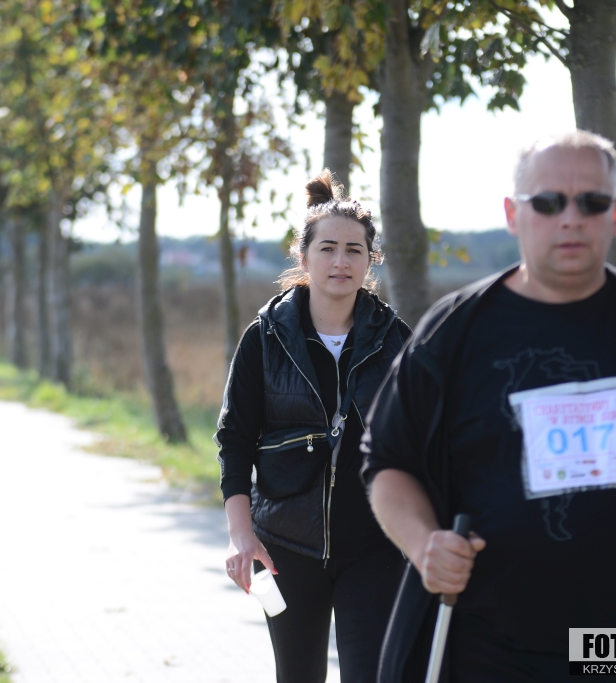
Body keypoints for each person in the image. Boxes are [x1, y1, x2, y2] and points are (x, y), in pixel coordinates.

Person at [362, 131, 616, 682]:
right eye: (549, 202)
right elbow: (388, 460)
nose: (571, 219)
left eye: (592, 202)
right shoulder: (456, 331)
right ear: (513, 214)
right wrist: (424, 544)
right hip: (490, 651)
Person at [216, 169, 411, 683]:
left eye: (353, 250)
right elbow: (235, 440)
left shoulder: (397, 340)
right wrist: (240, 536)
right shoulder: (265, 338)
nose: (340, 261)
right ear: (303, 257)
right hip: (284, 549)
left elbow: (420, 443)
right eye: (327, 248)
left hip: (376, 549)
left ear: (370, 260)